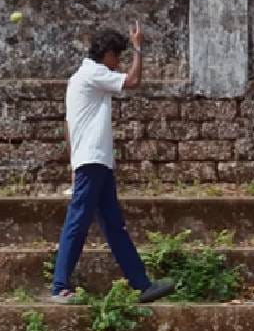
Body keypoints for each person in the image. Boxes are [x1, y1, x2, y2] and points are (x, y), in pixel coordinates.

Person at [47, 23, 173, 305]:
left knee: (114, 226)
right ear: (107, 55)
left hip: (94, 160)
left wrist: (74, 162)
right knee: (78, 221)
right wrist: (138, 47)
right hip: (92, 160)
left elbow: (68, 127)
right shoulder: (93, 73)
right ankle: (59, 286)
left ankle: (141, 284)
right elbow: (133, 81)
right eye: (118, 57)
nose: (118, 64)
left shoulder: (83, 78)